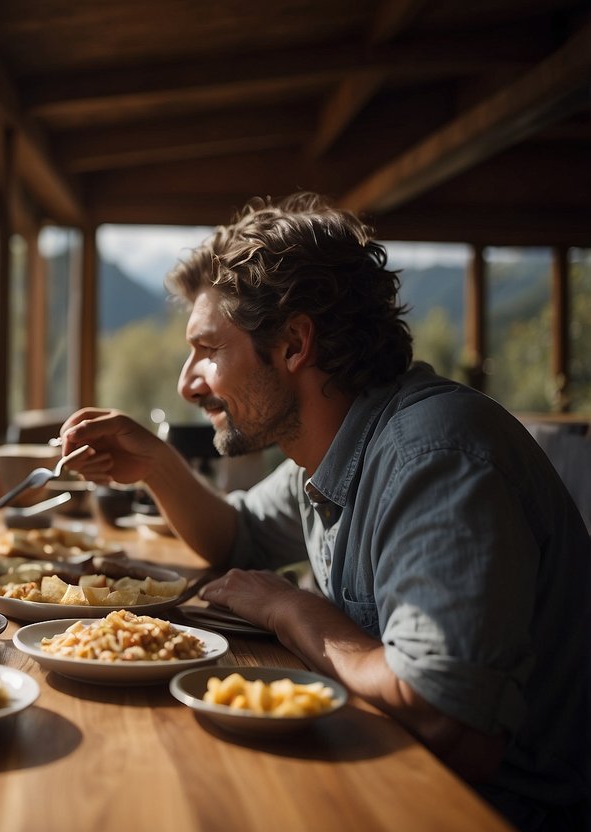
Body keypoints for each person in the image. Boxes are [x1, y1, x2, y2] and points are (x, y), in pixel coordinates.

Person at [60, 193, 590, 830]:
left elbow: (441, 714)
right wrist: (158, 466)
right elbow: (239, 537)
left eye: (207, 349)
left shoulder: (434, 456)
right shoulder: (339, 446)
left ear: (293, 344)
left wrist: (292, 609)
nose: (187, 382)